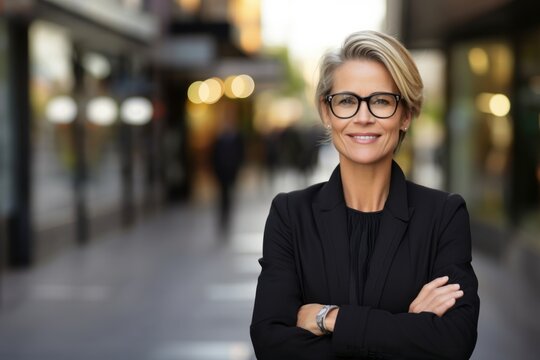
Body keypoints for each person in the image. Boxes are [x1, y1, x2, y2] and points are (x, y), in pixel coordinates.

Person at [250, 30, 479, 359]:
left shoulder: (443, 215)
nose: (363, 116)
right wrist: (408, 329)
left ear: (406, 115)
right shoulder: (290, 215)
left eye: (381, 101)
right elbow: (271, 344)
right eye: (346, 100)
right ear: (326, 113)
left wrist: (328, 317)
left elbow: (453, 343)